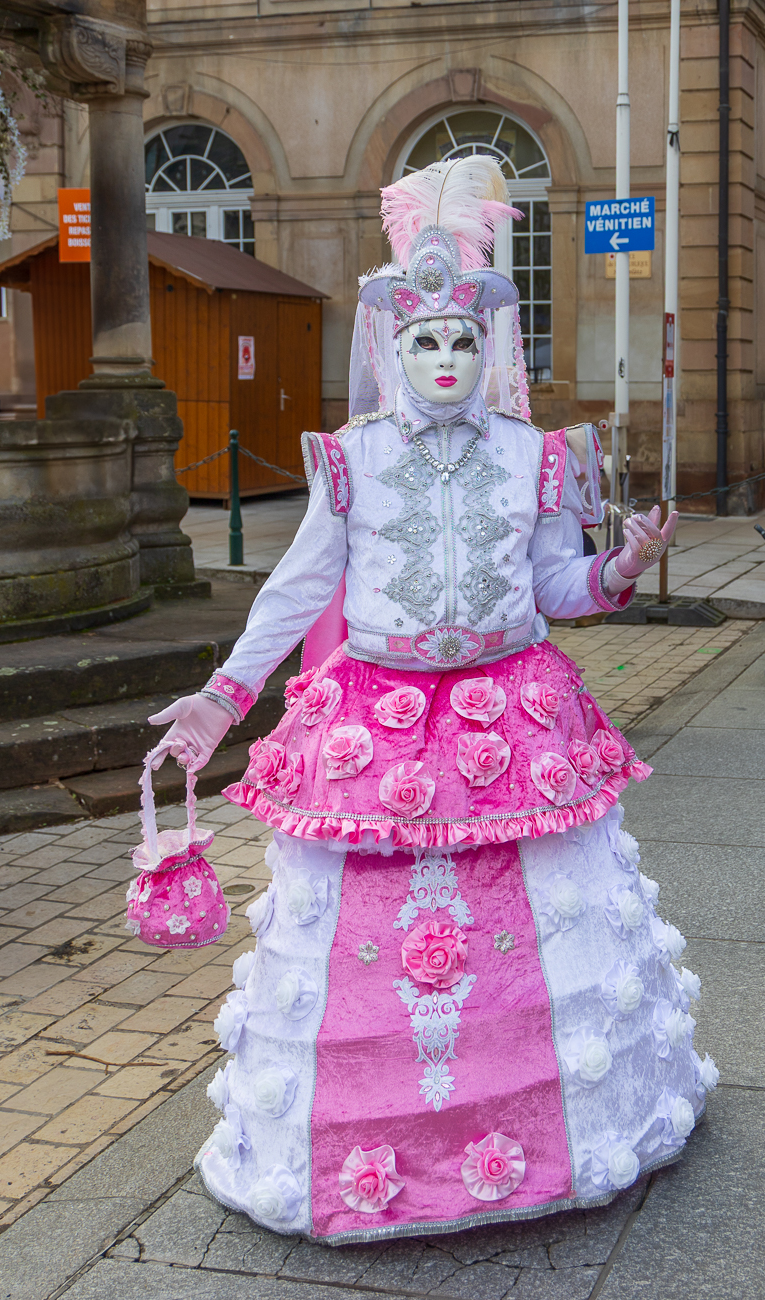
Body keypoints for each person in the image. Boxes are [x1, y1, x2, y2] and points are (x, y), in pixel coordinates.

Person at [149, 157, 718, 1245]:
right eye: (427, 341)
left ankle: (549, 1132)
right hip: (379, 721)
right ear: (392, 349)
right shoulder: (348, 461)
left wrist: (617, 568)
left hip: (512, 714)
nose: (447, 357)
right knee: (376, 947)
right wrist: (222, 699)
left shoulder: (532, 457)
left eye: (464, 340)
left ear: (490, 348)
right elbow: (298, 586)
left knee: (528, 932)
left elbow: (556, 586)